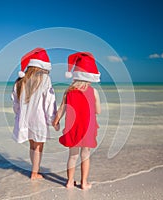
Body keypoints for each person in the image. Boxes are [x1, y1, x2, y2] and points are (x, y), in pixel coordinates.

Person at [52, 52, 101, 190]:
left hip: (72, 127)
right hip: (88, 128)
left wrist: (55, 121)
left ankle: (69, 182)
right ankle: (84, 183)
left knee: (72, 156)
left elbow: (61, 109)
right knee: (85, 155)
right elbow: (98, 111)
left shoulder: (69, 91)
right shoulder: (93, 92)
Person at [11, 47, 57, 180]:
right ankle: (34, 173)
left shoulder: (20, 80)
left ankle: (34, 169)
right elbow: (49, 101)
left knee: (32, 146)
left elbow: (15, 102)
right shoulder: (45, 79)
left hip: (25, 119)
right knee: (38, 147)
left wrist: (19, 116)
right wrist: (52, 118)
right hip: (39, 119)